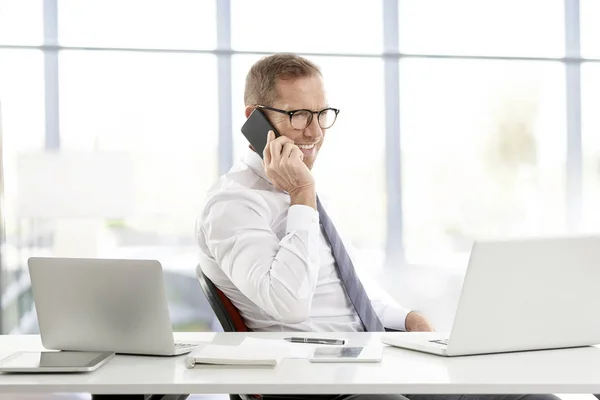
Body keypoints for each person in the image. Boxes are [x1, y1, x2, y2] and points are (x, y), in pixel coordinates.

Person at [196, 52, 559, 400]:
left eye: (322, 114)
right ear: (254, 119)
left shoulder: (304, 191)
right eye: (299, 115)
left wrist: (405, 318)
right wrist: (300, 193)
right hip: (312, 381)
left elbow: (350, 290)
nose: (315, 132)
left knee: (529, 394)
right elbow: (288, 305)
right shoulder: (233, 204)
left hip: (373, 361)